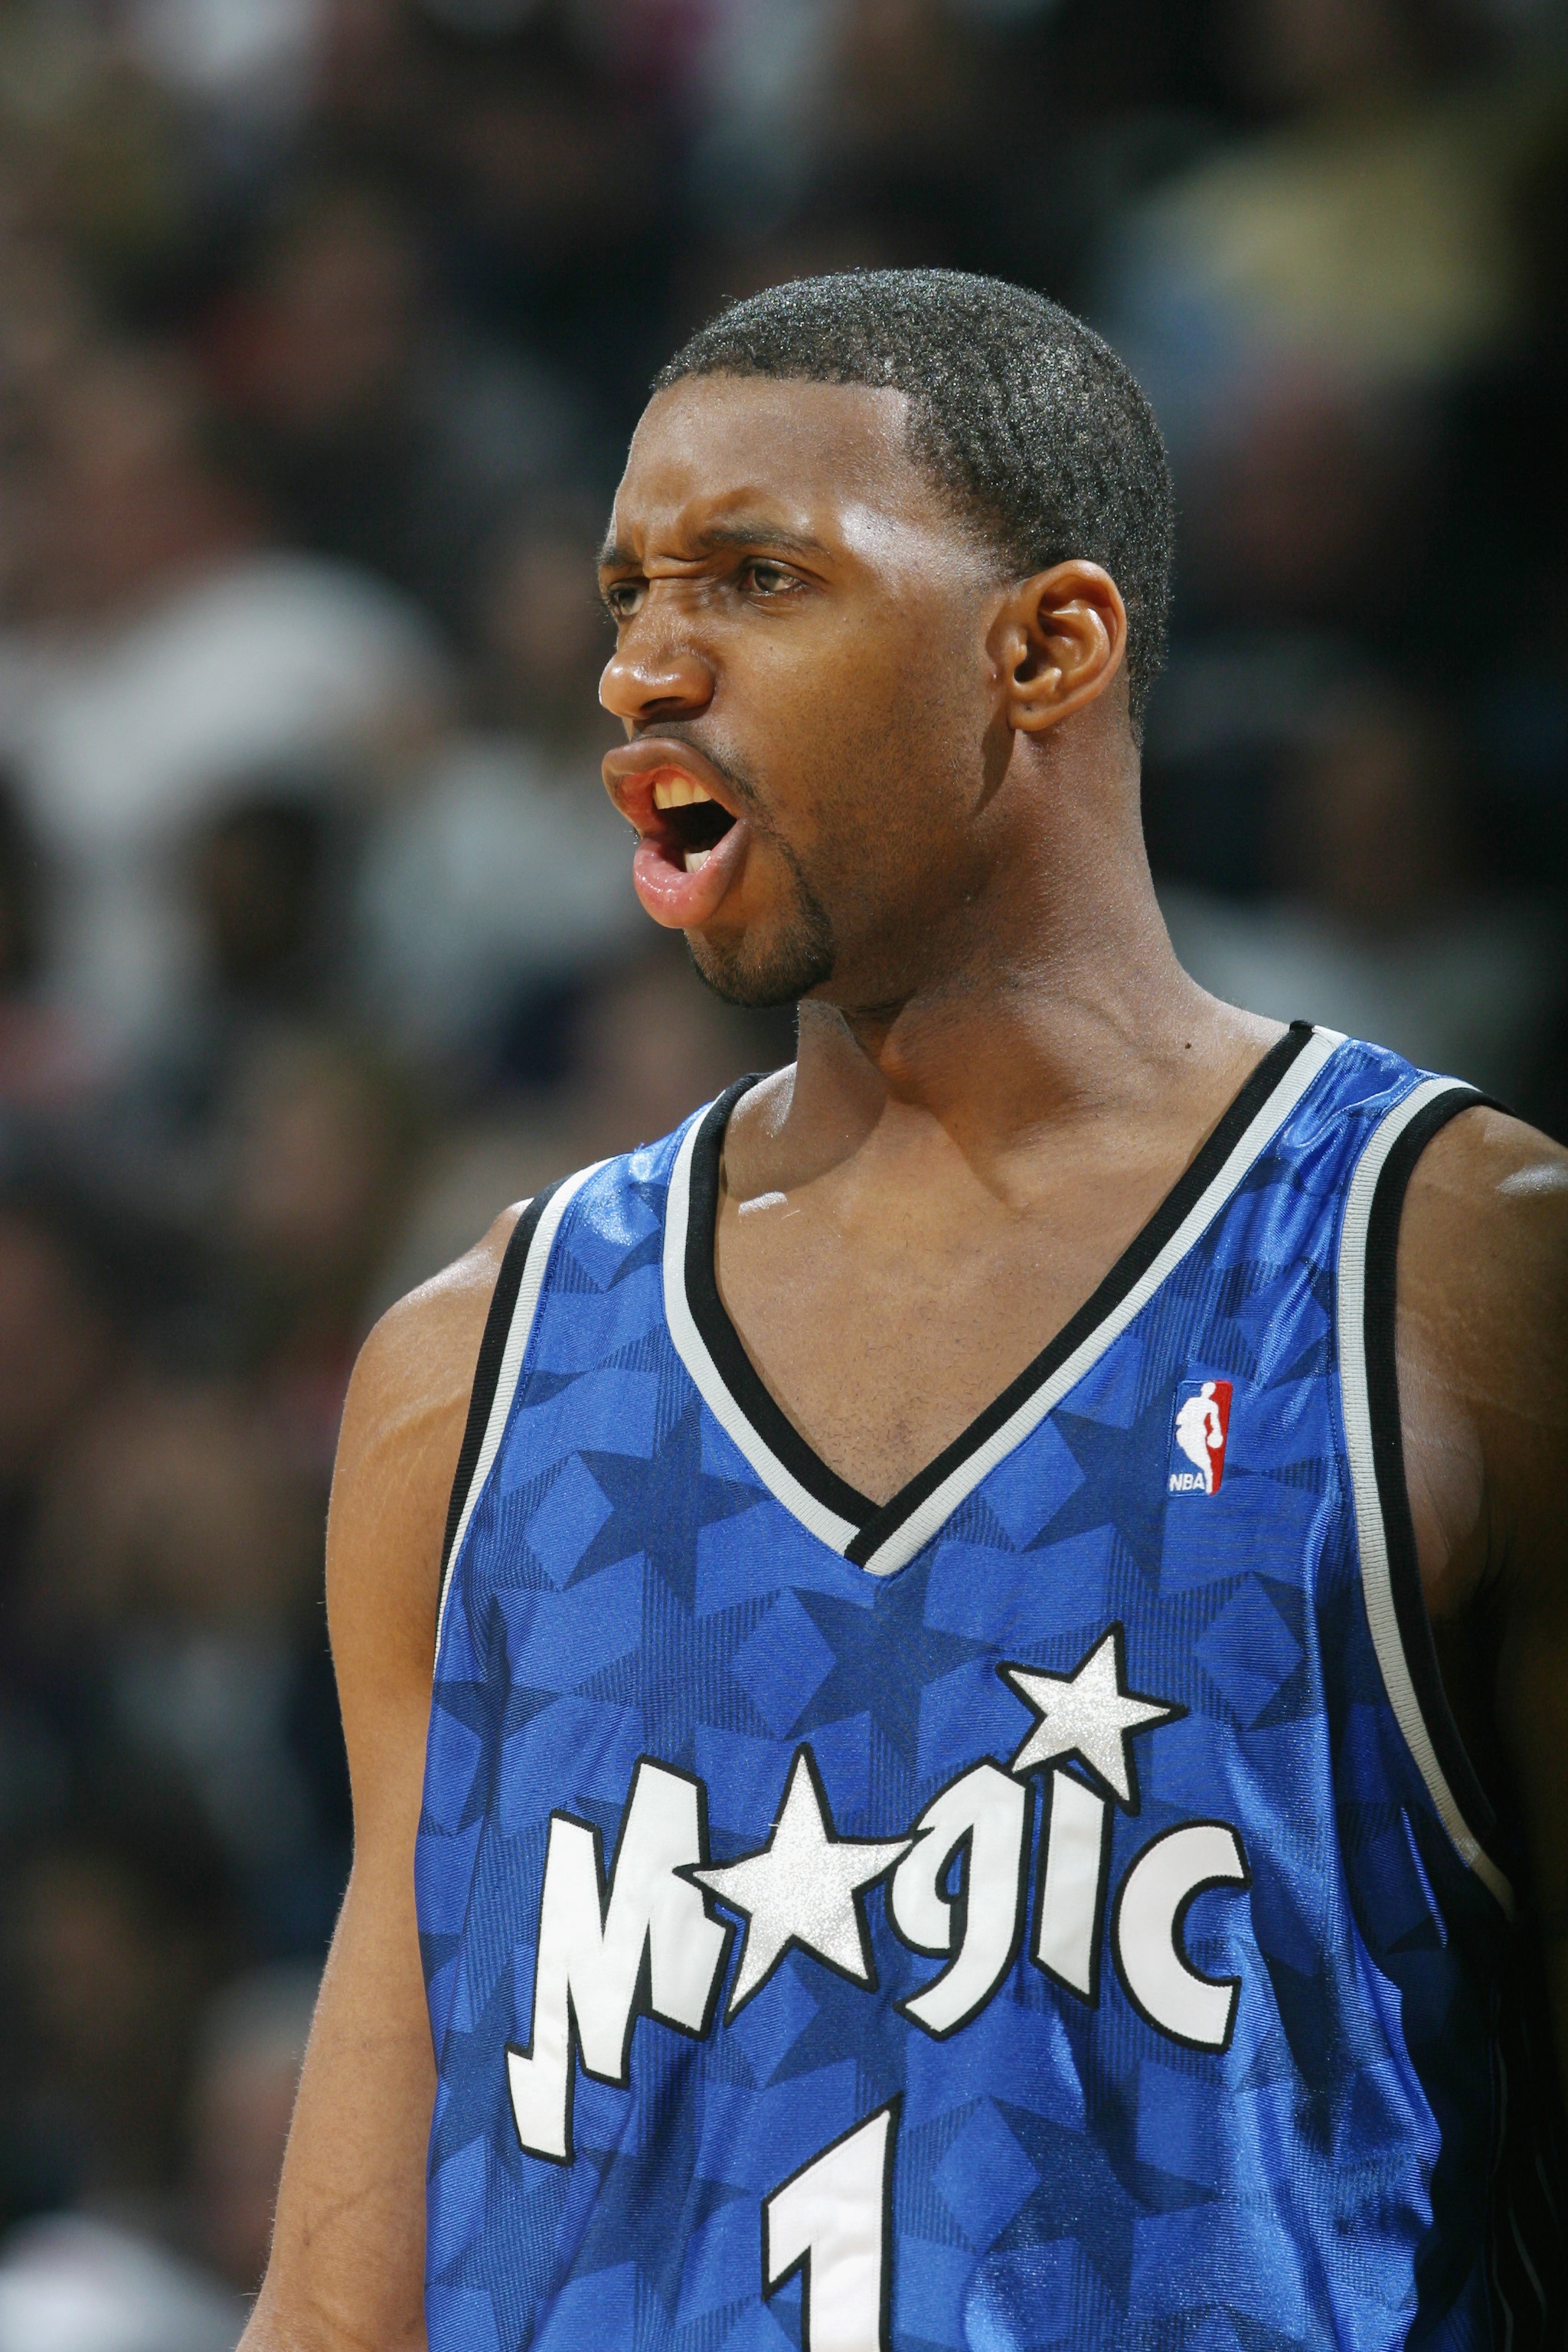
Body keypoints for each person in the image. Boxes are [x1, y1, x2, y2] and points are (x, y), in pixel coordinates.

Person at [243, 273, 1568, 2350]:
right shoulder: (474, 1374)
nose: (642, 668)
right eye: (629, 594)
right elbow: (347, 2307)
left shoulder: (1455, 1274)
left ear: (1045, 648)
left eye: (755, 578)